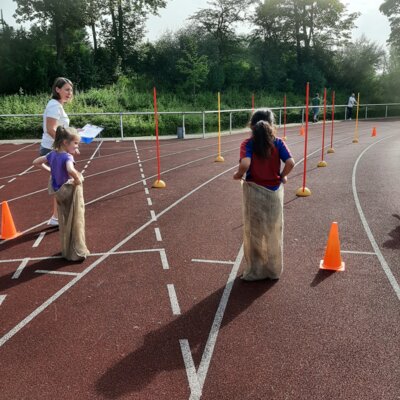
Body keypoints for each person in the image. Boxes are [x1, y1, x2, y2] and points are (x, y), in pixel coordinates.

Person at [233, 109, 295, 281]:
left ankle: (255, 271)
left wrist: (238, 175)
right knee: (273, 231)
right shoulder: (278, 143)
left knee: (255, 233)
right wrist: (283, 176)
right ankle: (273, 270)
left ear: (251, 125)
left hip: (254, 193)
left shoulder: (248, 143)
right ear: (272, 125)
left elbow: (245, 163)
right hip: (274, 194)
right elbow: (290, 162)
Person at [33, 126, 89, 261]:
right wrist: (77, 179)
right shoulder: (67, 157)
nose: (77, 147)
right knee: (75, 220)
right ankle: (76, 251)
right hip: (69, 192)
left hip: (58, 192)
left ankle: (67, 248)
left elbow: (36, 162)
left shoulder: (52, 154)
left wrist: (50, 171)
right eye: (75, 143)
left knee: (64, 222)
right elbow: (70, 169)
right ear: (65, 142)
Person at [40, 77, 75, 227]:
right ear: (57, 89)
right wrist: (65, 145)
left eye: (71, 90)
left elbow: (60, 128)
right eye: (66, 89)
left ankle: (57, 216)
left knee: (60, 182)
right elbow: (51, 129)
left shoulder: (57, 105)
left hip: (56, 147)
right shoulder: (54, 105)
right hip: (53, 148)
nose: (70, 93)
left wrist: (74, 133)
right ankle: (56, 217)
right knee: (60, 183)